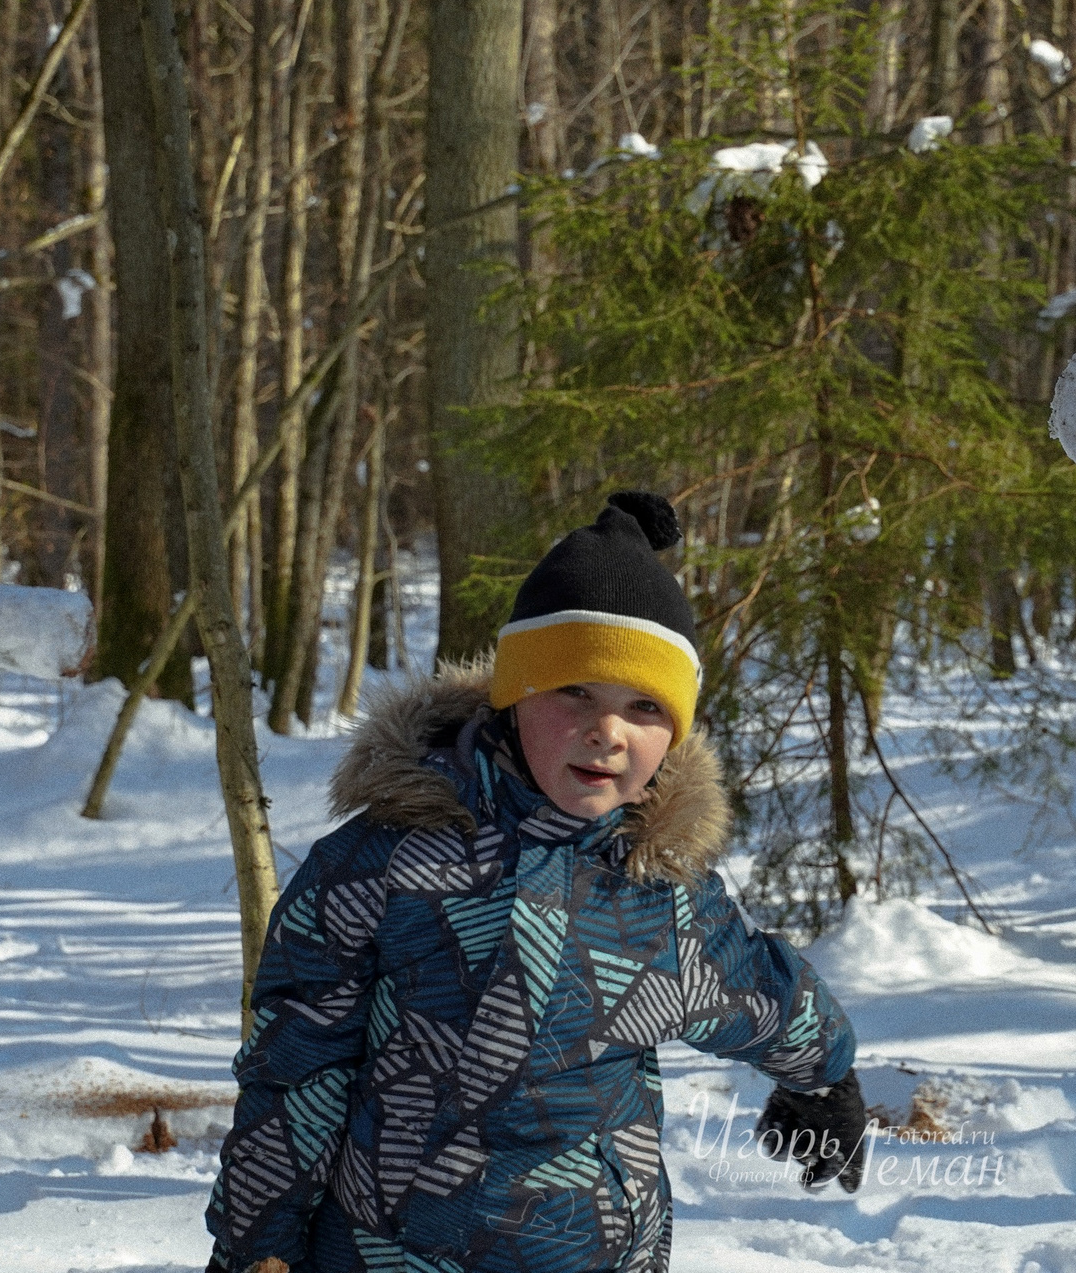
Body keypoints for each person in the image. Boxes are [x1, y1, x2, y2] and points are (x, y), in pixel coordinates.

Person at [207, 492, 867, 1273]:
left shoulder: (660, 884)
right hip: (390, 1252)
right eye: (575, 690)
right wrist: (258, 1246)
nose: (607, 730)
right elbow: (296, 1068)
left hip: (599, 1251)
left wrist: (826, 1077)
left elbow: (754, 986)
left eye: (644, 706)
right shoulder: (382, 865)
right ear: (516, 690)